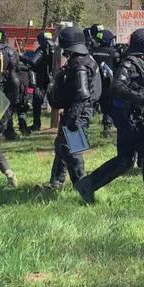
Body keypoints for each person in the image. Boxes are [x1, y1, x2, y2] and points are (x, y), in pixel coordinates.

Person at [75, 28, 144, 204]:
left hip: (137, 116)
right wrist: (141, 98)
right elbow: (117, 87)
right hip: (131, 117)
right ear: (143, 45)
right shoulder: (129, 62)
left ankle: (87, 184)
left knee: (125, 160)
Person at [46, 27, 100, 189]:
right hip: (79, 110)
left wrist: (72, 118)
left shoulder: (79, 65)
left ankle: (83, 186)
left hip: (78, 112)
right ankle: (56, 182)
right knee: (61, 147)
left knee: (72, 150)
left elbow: (83, 94)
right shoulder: (86, 59)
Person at [91, 29, 121, 137]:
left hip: (95, 83)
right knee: (108, 106)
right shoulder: (114, 52)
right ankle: (107, 128)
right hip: (109, 83)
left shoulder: (93, 51)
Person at [24, 31, 55, 133]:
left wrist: (22, 58)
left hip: (42, 80)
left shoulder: (42, 50)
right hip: (54, 79)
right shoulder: (56, 48)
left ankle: (36, 124)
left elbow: (33, 61)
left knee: (37, 102)